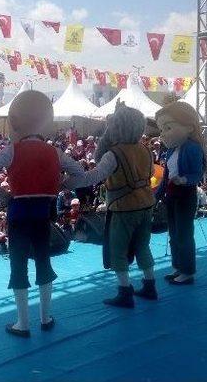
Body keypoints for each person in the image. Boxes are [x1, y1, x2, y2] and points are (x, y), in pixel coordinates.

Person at [0, 90, 84, 337]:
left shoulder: (11, 150)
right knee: (44, 261)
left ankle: (22, 323)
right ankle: (45, 318)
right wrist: (58, 186)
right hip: (43, 213)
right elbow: (78, 173)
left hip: (18, 214)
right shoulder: (54, 152)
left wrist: (1, 193)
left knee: (18, 264)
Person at [67, 100, 157, 307]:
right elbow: (151, 173)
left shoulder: (113, 153)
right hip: (146, 205)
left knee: (117, 250)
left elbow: (95, 176)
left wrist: (70, 181)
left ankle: (125, 292)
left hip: (123, 207)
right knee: (143, 246)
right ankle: (150, 286)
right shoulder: (145, 150)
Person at [155, 101, 206, 285]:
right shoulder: (170, 151)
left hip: (186, 195)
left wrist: (184, 180)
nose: (162, 134)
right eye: (161, 129)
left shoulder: (192, 147)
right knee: (174, 234)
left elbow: (197, 173)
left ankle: (188, 271)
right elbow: (166, 176)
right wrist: (156, 197)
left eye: (167, 127)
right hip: (171, 196)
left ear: (189, 127)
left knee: (184, 234)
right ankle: (177, 267)